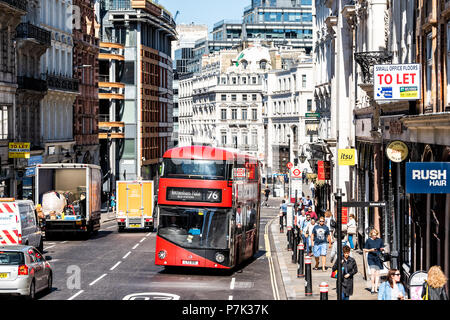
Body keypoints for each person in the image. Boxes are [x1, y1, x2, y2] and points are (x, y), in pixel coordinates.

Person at [364, 229, 385, 294]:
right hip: (371, 258)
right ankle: (372, 288)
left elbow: (382, 248)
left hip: (378, 258)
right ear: (371, 234)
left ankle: (376, 288)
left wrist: (382, 249)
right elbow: (365, 249)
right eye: (373, 235)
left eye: (375, 235)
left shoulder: (380, 240)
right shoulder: (368, 240)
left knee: (377, 274)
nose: (374, 236)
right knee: (372, 273)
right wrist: (371, 250)